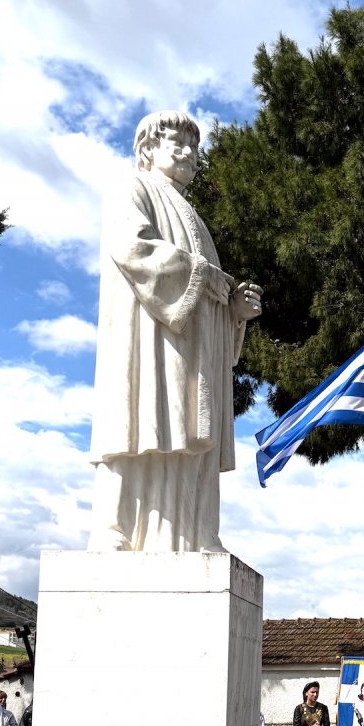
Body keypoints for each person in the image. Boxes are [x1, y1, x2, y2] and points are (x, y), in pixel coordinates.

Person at [87, 110, 263, 553]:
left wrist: (235, 313)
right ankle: (116, 529)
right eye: (177, 144)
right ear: (148, 148)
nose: (189, 154)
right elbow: (134, 248)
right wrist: (202, 276)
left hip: (190, 353)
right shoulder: (132, 188)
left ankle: (195, 534)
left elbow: (210, 297)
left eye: (195, 147)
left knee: (184, 433)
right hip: (146, 340)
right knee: (137, 424)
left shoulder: (195, 219)